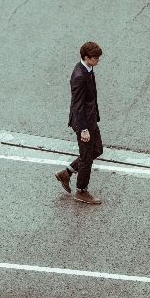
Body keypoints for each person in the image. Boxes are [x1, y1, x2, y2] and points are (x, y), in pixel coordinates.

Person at [55, 41, 103, 204]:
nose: (98, 60)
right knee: (86, 158)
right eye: (95, 58)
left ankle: (67, 172)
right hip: (84, 124)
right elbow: (77, 104)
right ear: (86, 57)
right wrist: (83, 129)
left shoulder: (88, 69)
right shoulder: (79, 76)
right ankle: (81, 191)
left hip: (91, 119)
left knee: (97, 150)